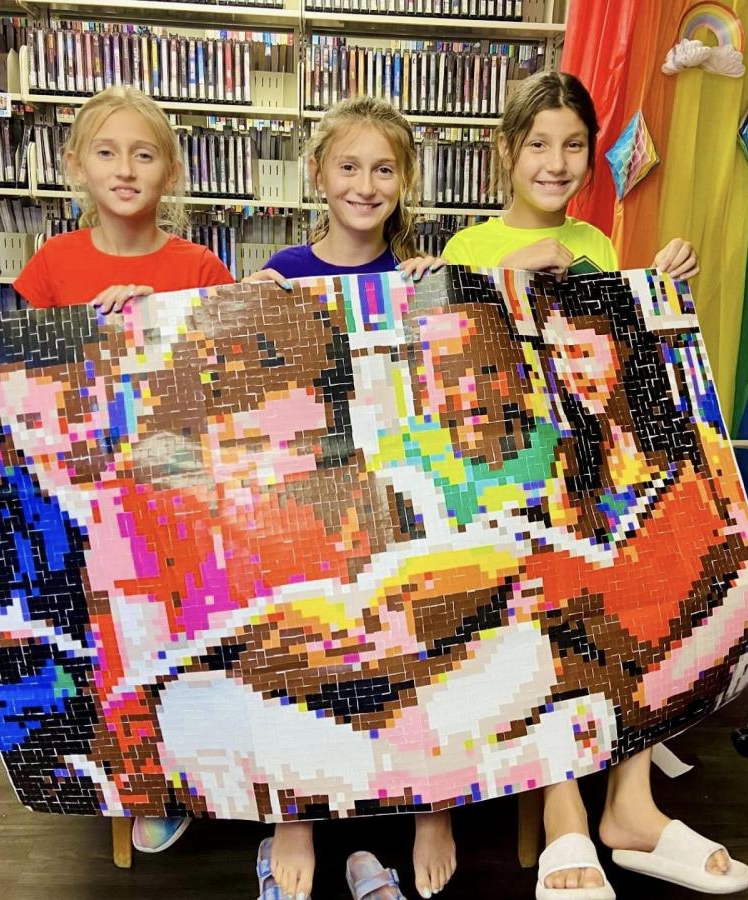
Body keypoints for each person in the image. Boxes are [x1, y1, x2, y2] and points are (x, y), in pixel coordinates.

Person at [0, 84, 233, 856]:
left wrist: (156, 325)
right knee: (101, 635)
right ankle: (140, 780)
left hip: (175, 491)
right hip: (80, 492)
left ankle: (199, 768)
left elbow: (226, 375)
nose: (126, 168)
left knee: (183, 634)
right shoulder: (52, 265)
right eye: (107, 152)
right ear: (75, 164)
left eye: (144, 154)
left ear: (171, 171)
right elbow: (2, 363)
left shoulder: (199, 265)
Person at [442, 70, 748, 899]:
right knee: (550, 588)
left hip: (588, 468)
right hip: (505, 486)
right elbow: (457, 370)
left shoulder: (601, 243)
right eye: (538, 143)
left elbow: (616, 371)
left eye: (573, 144)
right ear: (506, 151)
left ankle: (632, 804)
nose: (556, 160)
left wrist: (651, 286)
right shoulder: (466, 247)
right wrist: (510, 272)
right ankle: (564, 817)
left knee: (652, 567)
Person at [243, 95, 450, 900]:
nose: (366, 184)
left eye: (384, 169)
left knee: (397, 638)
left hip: (391, 492)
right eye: (350, 166)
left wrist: (439, 292)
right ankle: (293, 819)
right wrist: (249, 302)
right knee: (299, 633)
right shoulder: (285, 272)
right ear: (318, 174)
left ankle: (386, 830)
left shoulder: (415, 275)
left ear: (405, 182)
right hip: (303, 494)